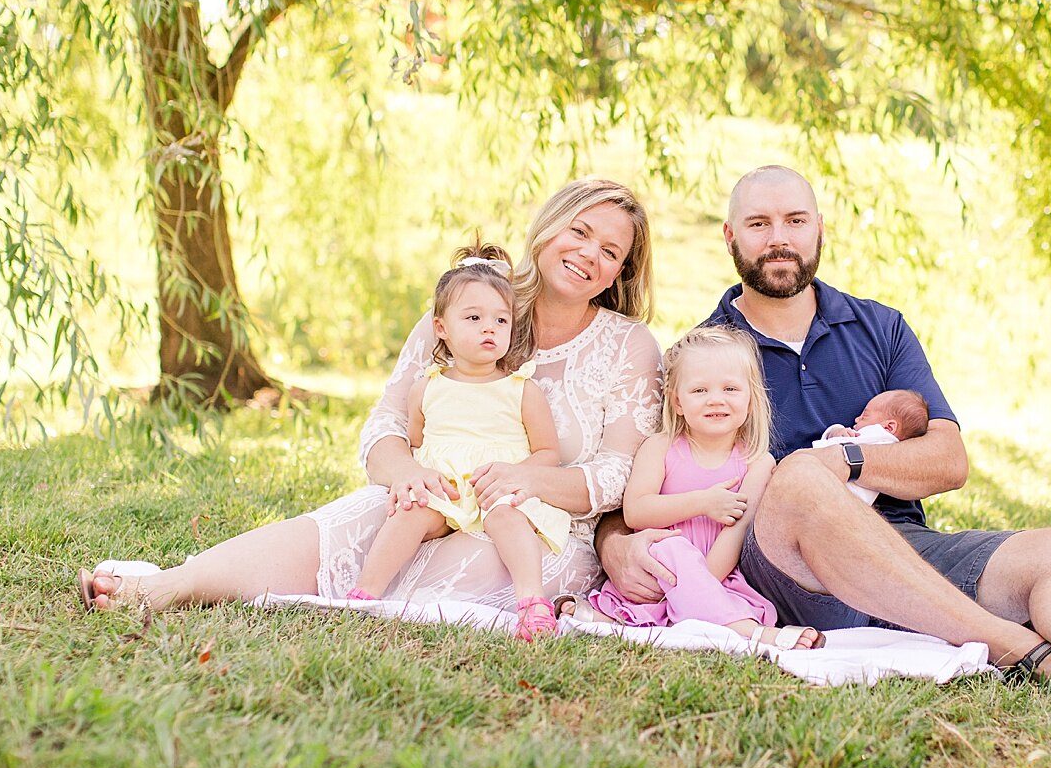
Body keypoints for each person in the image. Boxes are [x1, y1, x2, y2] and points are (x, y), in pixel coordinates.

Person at [597, 165, 1051, 741]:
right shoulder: (701, 353)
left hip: (903, 549)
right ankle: (1021, 651)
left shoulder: (880, 327)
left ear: (818, 229)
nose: (779, 238)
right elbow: (636, 476)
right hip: (779, 566)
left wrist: (854, 462)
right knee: (800, 477)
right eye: (758, 224)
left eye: (795, 220)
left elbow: (949, 459)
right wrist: (617, 546)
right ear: (730, 237)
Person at [78, 178, 663, 618]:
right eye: (580, 231)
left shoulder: (630, 347)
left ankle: (370, 600)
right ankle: (167, 586)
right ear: (547, 230)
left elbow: (618, 471)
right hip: (429, 497)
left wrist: (527, 479)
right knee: (345, 524)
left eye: (611, 251)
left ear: (618, 274)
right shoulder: (470, 302)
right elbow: (386, 422)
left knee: (469, 567)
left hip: (538, 525)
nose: (590, 253)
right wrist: (406, 471)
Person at [343, 242, 573, 641]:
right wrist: (417, 476)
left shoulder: (521, 389)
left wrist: (517, 476)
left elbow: (548, 452)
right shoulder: (425, 388)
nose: (490, 328)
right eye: (474, 317)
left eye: (501, 321)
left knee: (508, 517)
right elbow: (416, 444)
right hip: (447, 486)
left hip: (495, 485)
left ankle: (532, 603)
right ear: (441, 328)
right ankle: (365, 594)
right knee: (411, 513)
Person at [563, 326, 824, 650]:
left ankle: (690, 617)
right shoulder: (660, 447)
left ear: (751, 399)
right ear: (677, 402)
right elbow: (635, 512)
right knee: (672, 547)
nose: (716, 399)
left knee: (688, 569)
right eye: (700, 390)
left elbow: (737, 533)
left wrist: (699, 584)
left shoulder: (757, 462)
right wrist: (703, 502)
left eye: (730, 388)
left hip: (717, 573)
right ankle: (746, 632)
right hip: (659, 565)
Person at [813, 389, 930, 504]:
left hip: (832, 495)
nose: (856, 419)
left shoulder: (880, 437)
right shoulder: (891, 448)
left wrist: (836, 430)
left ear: (889, 427)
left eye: (864, 416)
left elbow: (834, 449)